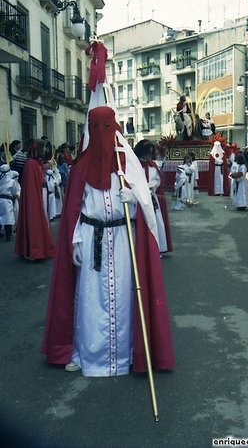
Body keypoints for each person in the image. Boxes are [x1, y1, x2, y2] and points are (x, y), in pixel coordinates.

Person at [41, 106, 175, 376]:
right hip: (91, 239)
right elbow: (74, 212)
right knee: (90, 298)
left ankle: (125, 354)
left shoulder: (129, 164)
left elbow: (147, 205)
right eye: (96, 128)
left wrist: (135, 200)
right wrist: (75, 241)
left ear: (114, 129)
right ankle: (85, 352)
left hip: (123, 238)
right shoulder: (80, 167)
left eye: (106, 127)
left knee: (125, 295)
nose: (102, 133)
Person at [15, 139, 55, 260]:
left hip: (39, 194)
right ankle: (35, 250)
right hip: (35, 198)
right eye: (42, 148)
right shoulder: (31, 164)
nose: (44, 151)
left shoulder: (34, 163)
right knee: (35, 221)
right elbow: (34, 183)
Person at [133, 139, 173, 257]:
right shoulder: (133, 165)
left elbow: (157, 180)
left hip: (152, 198)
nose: (148, 156)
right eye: (147, 152)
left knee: (155, 222)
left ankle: (157, 247)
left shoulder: (153, 166)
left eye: (150, 153)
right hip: (138, 199)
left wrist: (151, 188)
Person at [0, 163, 21, 241]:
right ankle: (8, 235)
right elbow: (14, 191)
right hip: (7, 200)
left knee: (2, 217)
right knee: (7, 218)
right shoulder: (11, 181)